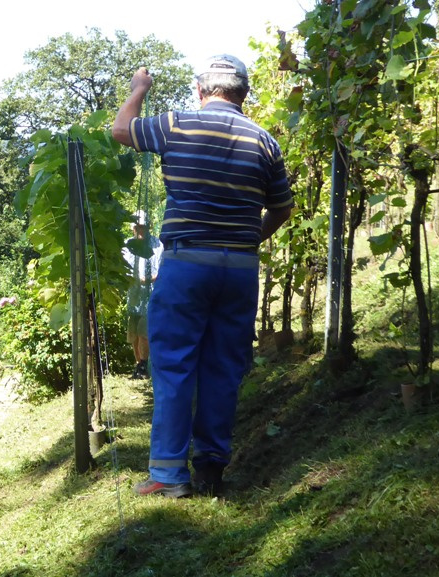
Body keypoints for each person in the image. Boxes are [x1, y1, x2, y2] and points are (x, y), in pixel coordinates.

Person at [112, 55, 294, 498]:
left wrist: (139, 88)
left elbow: (121, 130)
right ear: (243, 94)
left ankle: (169, 474)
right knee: (224, 367)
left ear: (200, 90)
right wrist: (247, 239)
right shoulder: (265, 142)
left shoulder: (177, 124)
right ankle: (211, 469)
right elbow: (282, 208)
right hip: (239, 269)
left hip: (187, 263)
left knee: (174, 364)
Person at [122, 210, 163, 380]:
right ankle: (139, 365)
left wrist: (150, 279)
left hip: (151, 294)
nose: (141, 230)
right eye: (138, 227)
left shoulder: (157, 245)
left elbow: (163, 269)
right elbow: (123, 269)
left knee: (144, 331)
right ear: (133, 228)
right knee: (134, 333)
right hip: (134, 295)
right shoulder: (127, 245)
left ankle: (144, 365)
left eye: (144, 227)